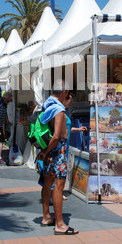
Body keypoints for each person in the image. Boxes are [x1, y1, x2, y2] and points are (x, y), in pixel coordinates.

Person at [38, 80, 79, 235]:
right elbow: (56, 136)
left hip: (48, 151)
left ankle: (46, 217)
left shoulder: (47, 105)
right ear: (63, 93)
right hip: (57, 150)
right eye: (67, 93)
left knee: (47, 182)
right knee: (59, 186)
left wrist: (44, 152)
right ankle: (60, 224)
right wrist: (48, 151)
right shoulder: (59, 109)